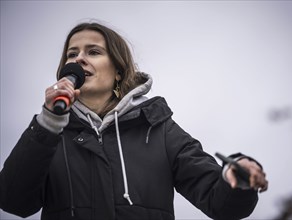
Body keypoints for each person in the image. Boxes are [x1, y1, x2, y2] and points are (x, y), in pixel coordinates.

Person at [0, 22, 268, 220]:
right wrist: (47, 123)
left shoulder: (158, 128)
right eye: (72, 54)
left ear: (118, 71)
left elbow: (219, 203)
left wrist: (237, 179)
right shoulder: (48, 136)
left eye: (93, 52)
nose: (79, 58)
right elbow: (14, 202)